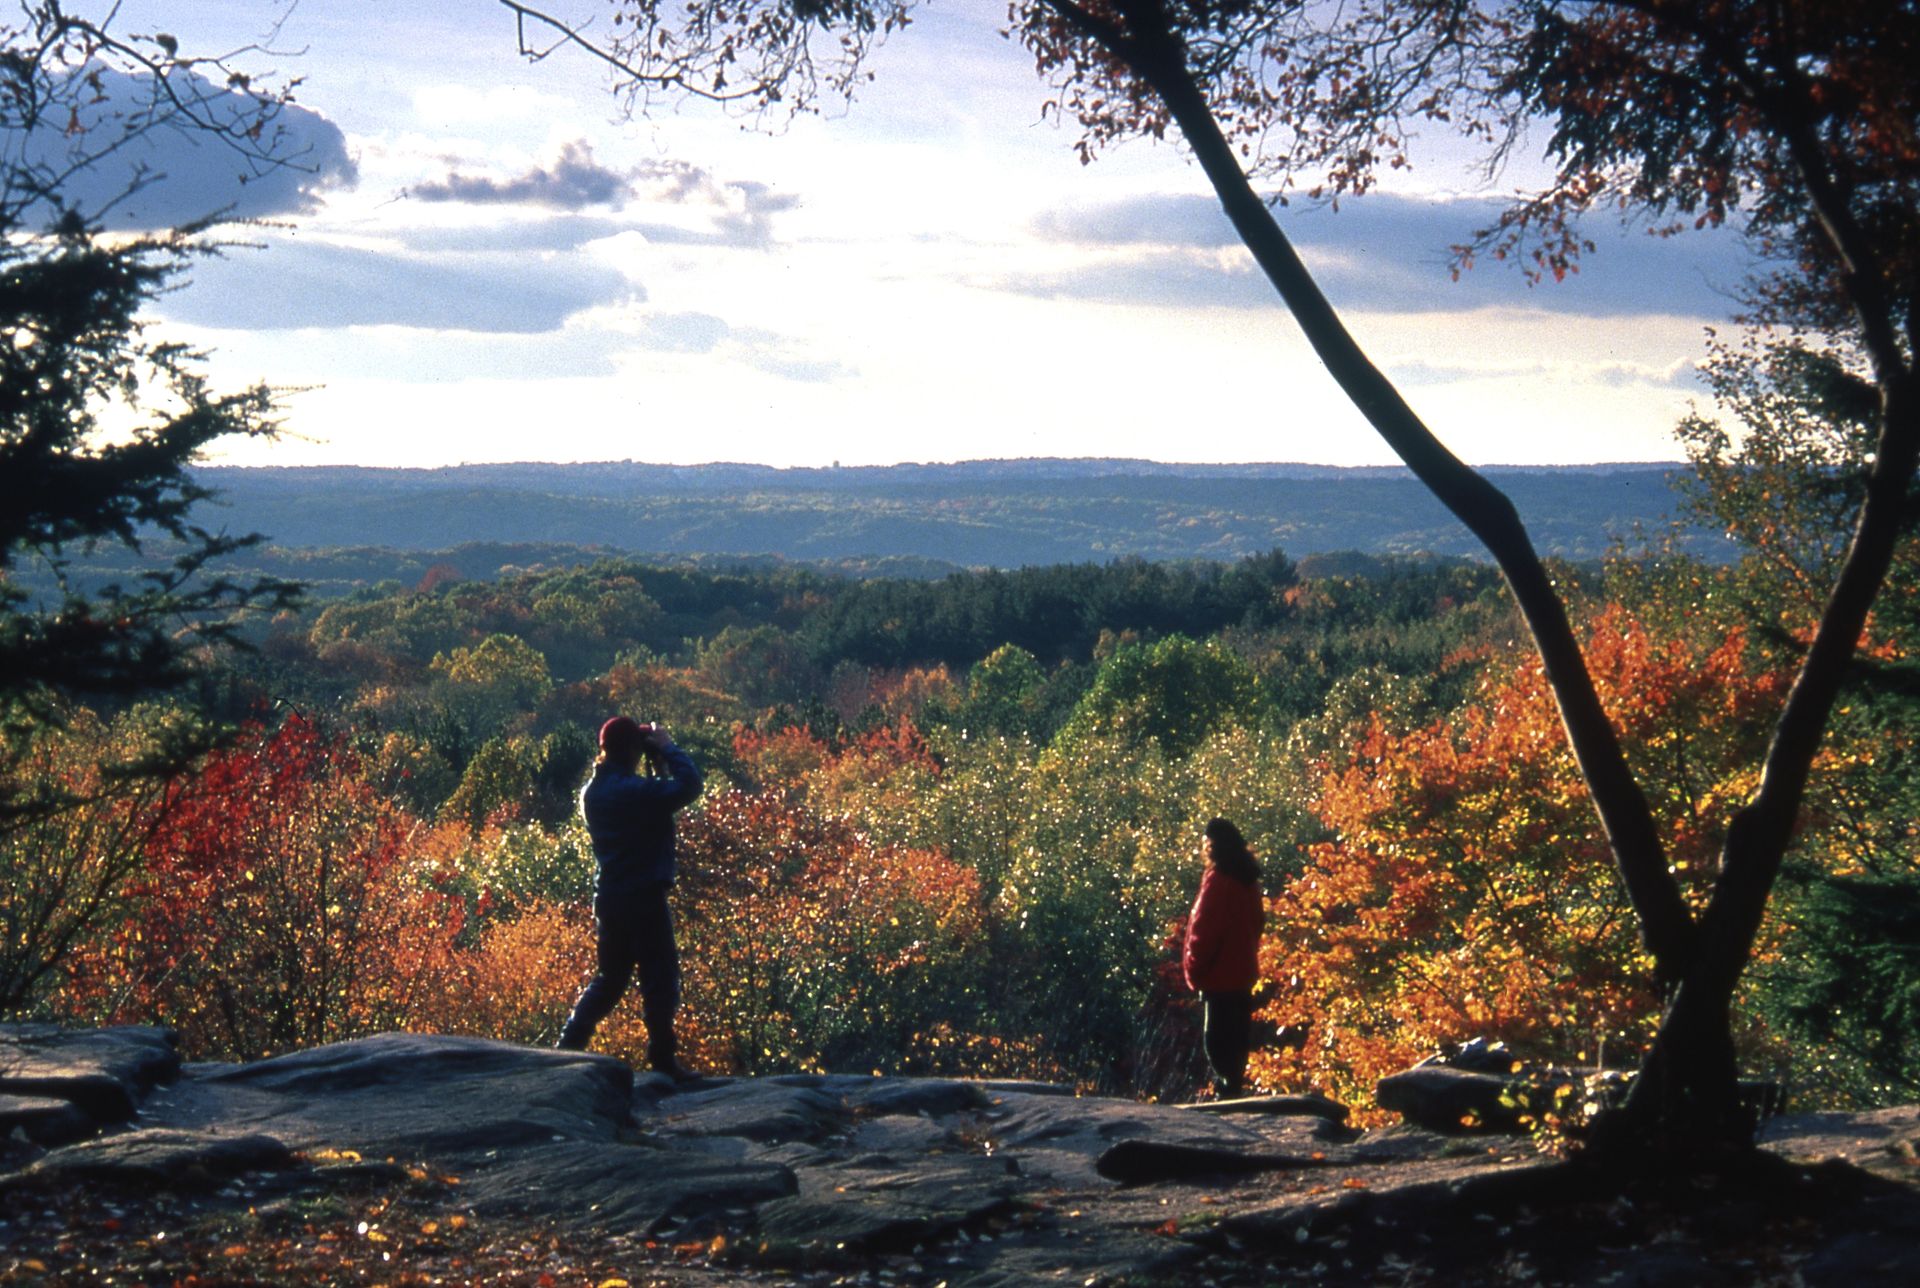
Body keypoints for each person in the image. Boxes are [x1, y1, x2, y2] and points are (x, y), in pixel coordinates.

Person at [557, 715, 704, 1078]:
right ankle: (663, 1059)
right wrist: (668, 750)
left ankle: (565, 1048)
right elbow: (689, 786)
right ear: (631, 749)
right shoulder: (630, 791)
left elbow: (652, 801)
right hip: (643, 895)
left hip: (611, 895)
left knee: (611, 978)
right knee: (660, 977)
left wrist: (653, 765)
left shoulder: (595, 789)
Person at [1183, 817, 1265, 1099]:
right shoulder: (1248, 881)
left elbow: (1203, 931)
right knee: (1237, 1040)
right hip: (1242, 974)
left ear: (1212, 846)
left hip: (1218, 978)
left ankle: (1228, 1094)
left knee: (1216, 1042)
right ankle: (1233, 1090)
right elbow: (1258, 923)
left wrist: (1194, 971)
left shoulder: (1219, 881)